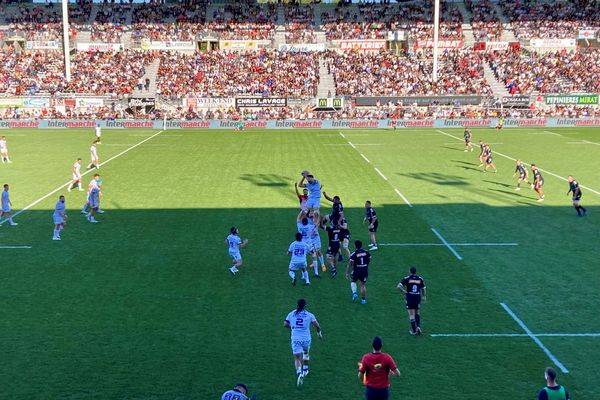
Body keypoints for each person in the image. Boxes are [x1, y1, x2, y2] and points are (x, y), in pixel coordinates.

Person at [284, 299, 323, 388]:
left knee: (297, 358)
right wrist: (319, 333)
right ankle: (305, 370)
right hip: (306, 339)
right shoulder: (309, 315)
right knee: (306, 353)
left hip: (295, 339)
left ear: (297, 305)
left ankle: (299, 372)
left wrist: (293, 327)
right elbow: (317, 325)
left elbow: (285, 324)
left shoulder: (291, 313)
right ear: (305, 305)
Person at [397, 266, 426, 335]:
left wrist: (404, 292)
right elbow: (424, 288)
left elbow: (398, 286)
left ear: (410, 271)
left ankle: (413, 331)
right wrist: (424, 296)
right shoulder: (420, 279)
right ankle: (418, 326)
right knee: (417, 312)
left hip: (410, 296)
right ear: (415, 272)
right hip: (417, 296)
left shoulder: (407, 278)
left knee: (411, 314)